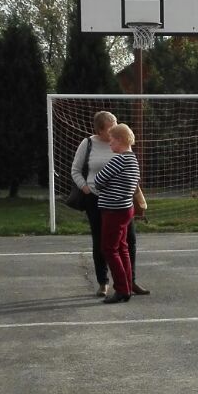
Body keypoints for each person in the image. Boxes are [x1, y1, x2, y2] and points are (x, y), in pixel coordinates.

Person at [70, 111, 146, 297]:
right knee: (101, 241)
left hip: (120, 202)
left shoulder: (122, 148)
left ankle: (128, 282)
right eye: (111, 127)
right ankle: (103, 282)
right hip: (96, 199)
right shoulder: (88, 143)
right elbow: (76, 170)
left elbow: (123, 175)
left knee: (127, 241)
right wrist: (86, 188)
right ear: (100, 130)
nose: (115, 129)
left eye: (116, 124)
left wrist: (127, 189)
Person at [91, 124, 140, 304]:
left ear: (120, 140)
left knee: (109, 249)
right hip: (126, 208)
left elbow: (98, 180)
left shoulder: (118, 160)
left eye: (111, 140)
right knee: (122, 248)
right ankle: (127, 284)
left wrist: (107, 185)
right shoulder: (133, 159)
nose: (110, 143)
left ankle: (121, 289)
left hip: (113, 209)